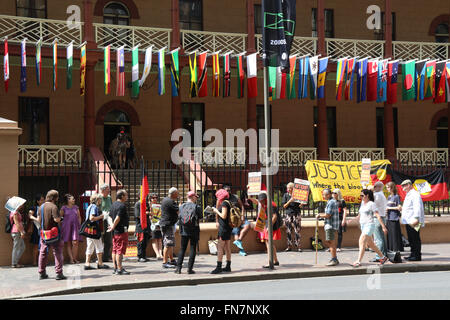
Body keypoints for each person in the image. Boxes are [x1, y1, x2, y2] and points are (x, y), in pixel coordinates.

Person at [344, 189, 389, 267]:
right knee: (371, 244)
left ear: (367, 195)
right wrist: (351, 220)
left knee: (361, 241)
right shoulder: (363, 204)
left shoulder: (371, 204)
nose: (361, 197)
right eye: (360, 195)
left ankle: (358, 261)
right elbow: (359, 216)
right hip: (363, 225)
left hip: (369, 225)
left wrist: (383, 226)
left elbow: (377, 215)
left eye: (362, 195)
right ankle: (382, 257)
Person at [38, 190, 66, 280]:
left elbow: (39, 220)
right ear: (54, 198)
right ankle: (59, 273)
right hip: (54, 234)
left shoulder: (41, 207)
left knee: (42, 253)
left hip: (44, 234)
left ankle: (42, 272)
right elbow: (56, 220)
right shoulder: (54, 207)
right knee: (57, 252)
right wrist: (61, 218)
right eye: (57, 197)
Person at [175, 191, 203, 274]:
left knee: (182, 249)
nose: (196, 198)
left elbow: (179, 217)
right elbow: (201, 217)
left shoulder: (182, 206)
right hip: (194, 230)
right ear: (193, 197)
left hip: (183, 230)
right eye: (195, 197)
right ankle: (189, 269)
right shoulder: (197, 207)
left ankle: (178, 268)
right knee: (192, 248)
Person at [218, 185, 250, 256]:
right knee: (236, 231)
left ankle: (238, 241)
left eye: (229, 190)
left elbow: (242, 206)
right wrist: (216, 221)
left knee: (248, 225)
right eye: (227, 190)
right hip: (231, 220)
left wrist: (242, 216)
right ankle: (241, 250)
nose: (228, 191)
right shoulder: (221, 199)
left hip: (238, 216)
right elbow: (217, 209)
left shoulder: (235, 197)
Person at [400, 179, 425, 261]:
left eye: (404, 185)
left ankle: (417, 256)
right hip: (409, 220)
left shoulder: (414, 194)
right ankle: (413, 254)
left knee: (415, 238)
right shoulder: (409, 194)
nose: (403, 187)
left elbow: (417, 207)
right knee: (411, 238)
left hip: (414, 220)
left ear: (409, 185)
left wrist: (416, 219)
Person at [107, 189, 130, 275]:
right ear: (122, 196)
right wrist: (113, 226)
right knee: (119, 250)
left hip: (115, 232)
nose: (127, 197)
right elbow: (118, 217)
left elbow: (109, 217)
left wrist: (112, 226)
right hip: (121, 231)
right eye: (126, 195)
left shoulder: (113, 205)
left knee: (115, 249)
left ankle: (115, 268)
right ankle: (120, 269)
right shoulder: (122, 206)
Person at [84, 194, 109, 270]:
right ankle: (100, 263)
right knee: (99, 246)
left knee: (90, 246)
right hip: (94, 229)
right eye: (100, 199)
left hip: (88, 229)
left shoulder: (89, 206)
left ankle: (87, 263)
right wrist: (101, 216)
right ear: (97, 200)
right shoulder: (94, 207)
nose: (101, 201)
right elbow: (92, 218)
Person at [255, 192, 281, 268]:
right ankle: (275, 260)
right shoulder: (265, 203)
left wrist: (269, 227)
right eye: (260, 200)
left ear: (265, 199)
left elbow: (274, 216)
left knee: (269, 243)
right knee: (269, 243)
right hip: (267, 223)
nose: (260, 202)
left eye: (262, 200)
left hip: (271, 225)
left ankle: (271, 261)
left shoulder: (271, 204)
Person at [211, 189, 233, 274]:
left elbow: (223, 216)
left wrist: (216, 211)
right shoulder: (229, 202)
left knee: (220, 247)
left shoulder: (224, 203)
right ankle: (228, 266)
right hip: (228, 228)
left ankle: (219, 267)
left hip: (223, 228)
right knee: (227, 247)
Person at [316, 189, 340, 266]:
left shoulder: (331, 202)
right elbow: (327, 213)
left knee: (331, 242)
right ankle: (334, 258)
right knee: (329, 241)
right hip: (331, 225)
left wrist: (319, 215)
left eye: (324, 194)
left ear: (329, 195)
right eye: (323, 194)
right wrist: (321, 214)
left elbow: (328, 215)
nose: (323, 196)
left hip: (331, 225)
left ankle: (334, 259)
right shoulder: (331, 202)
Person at [160, 187, 179, 268]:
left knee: (170, 243)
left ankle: (171, 260)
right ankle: (165, 262)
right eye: (177, 193)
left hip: (166, 224)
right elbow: (178, 211)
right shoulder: (170, 201)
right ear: (173, 193)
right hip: (168, 225)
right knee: (167, 244)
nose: (178, 195)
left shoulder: (165, 200)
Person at [60, 194, 82, 264]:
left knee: (75, 242)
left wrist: (79, 225)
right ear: (68, 200)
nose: (74, 200)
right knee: (68, 243)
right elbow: (60, 218)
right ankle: (71, 259)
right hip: (67, 226)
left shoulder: (76, 207)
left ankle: (74, 258)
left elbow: (79, 217)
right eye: (72, 199)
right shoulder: (63, 208)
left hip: (75, 226)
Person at [282, 182, 303, 252]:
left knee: (297, 230)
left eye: (290, 188)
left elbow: (301, 204)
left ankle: (298, 246)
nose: (288, 189)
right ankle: (289, 246)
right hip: (288, 214)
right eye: (288, 188)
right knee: (288, 230)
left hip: (296, 214)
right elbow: (284, 206)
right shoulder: (285, 195)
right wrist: (289, 201)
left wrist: (301, 204)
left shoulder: (297, 195)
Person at [385, 182, 404, 252]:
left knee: (395, 234)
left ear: (392, 188)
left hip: (394, 218)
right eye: (386, 187)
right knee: (390, 234)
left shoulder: (396, 197)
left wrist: (389, 208)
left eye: (388, 187)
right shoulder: (389, 197)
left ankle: (396, 249)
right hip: (388, 218)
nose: (387, 189)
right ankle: (391, 249)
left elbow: (399, 208)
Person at [371, 181, 388, 262]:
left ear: (378, 187)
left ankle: (379, 256)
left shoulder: (377, 195)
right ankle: (384, 254)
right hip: (382, 217)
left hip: (378, 218)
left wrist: (370, 190)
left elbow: (371, 202)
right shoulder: (382, 195)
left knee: (378, 239)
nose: (374, 188)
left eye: (374, 187)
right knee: (382, 238)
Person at [9, 198, 27, 268]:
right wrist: (22, 232)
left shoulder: (16, 212)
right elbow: (16, 223)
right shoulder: (15, 213)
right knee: (16, 247)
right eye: (20, 204)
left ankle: (15, 262)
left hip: (17, 231)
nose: (22, 205)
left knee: (22, 247)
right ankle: (14, 263)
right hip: (16, 231)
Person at [28, 194, 45, 266]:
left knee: (43, 245)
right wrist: (36, 219)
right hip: (36, 228)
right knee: (35, 245)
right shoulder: (34, 208)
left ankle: (41, 261)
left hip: (44, 228)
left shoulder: (45, 207)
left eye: (43, 199)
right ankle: (34, 261)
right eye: (41, 200)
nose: (43, 201)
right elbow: (30, 215)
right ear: (38, 201)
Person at [134, 194, 152, 262]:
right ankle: (140, 256)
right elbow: (138, 215)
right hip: (140, 226)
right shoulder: (137, 204)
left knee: (145, 241)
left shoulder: (146, 203)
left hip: (147, 225)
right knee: (141, 242)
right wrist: (146, 213)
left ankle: (144, 255)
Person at [100, 184, 113, 262]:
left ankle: (106, 257)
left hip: (108, 219)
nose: (109, 191)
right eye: (108, 189)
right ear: (103, 190)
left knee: (108, 239)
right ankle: (100, 257)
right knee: (100, 239)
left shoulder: (109, 198)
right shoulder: (99, 197)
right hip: (101, 220)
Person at [149, 193, 163, 260]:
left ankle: (161, 254)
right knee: (154, 239)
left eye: (156, 198)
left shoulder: (159, 206)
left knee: (160, 239)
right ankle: (157, 254)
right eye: (153, 198)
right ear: (150, 199)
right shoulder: (149, 206)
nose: (154, 199)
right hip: (152, 224)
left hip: (159, 223)